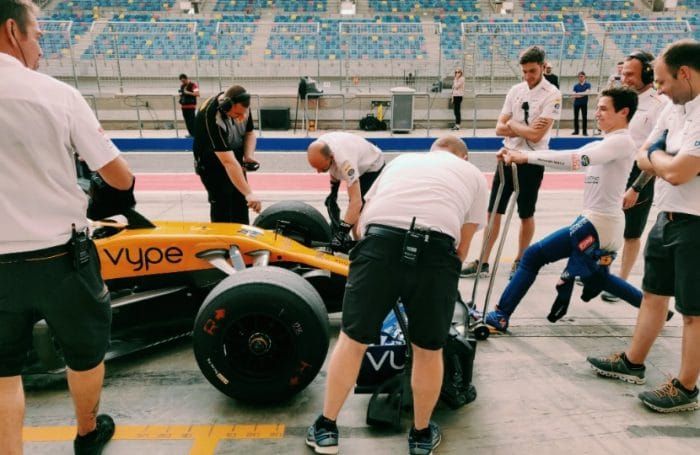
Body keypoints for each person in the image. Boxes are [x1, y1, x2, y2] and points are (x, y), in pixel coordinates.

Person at [0, 1, 135, 454]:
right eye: (37, 33)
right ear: (12, 31)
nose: (41, 44)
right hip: (61, 257)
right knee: (85, 353)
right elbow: (120, 177)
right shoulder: (56, 94)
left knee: (3, 374)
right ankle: (86, 432)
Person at [305, 135, 488, 455]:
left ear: (432, 151)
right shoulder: (472, 175)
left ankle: (326, 428)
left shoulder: (403, 161)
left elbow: (361, 224)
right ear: (465, 157)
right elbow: (462, 249)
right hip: (436, 251)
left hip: (380, 243)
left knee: (352, 340)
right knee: (428, 351)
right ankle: (419, 435)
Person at [587, 39, 700, 413]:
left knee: (693, 311)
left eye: (664, 80)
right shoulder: (674, 107)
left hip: (696, 225)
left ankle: (685, 387)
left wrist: (658, 158)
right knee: (653, 294)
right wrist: (657, 162)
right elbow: (644, 153)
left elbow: (680, 171)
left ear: (685, 74)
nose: (660, 88)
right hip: (667, 215)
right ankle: (633, 362)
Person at [483, 87, 640, 333]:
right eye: (597, 107)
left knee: (532, 256)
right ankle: (657, 311)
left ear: (624, 112)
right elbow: (566, 154)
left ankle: (500, 315)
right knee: (598, 278)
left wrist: (526, 158)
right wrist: (521, 153)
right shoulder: (610, 142)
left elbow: (575, 160)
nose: (596, 113)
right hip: (602, 222)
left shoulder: (621, 141)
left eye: (603, 108)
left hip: (598, 222)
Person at [461, 46, 561, 279]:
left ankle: (520, 261)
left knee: (526, 213)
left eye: (533, 71)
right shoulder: (515, 90)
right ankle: (483, 261)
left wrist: (513, 125)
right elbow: (498, 128)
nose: (528, 77)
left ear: (543, 67)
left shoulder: (552, 94)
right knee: (493, 212)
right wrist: (522, 128)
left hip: (532, 160)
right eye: (524, 72)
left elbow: (536, 136)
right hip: (506, 157)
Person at [600, 51, 668, 303]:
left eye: (630, 74)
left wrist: (637, 188)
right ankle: (600, 272)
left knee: (631, 232)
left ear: (648, 74)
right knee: (604, 221)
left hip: (640, 173)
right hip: (614, 165)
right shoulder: (619, 98)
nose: (624, 78)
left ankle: (621, 280)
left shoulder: (659, 105)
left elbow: (655, 150)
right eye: (622, 73)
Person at [192, 84, 261, 224]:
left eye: (244, 113)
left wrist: (248, 156)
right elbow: (228, 162)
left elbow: (250, 133)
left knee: (241, 203)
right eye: (237, 114)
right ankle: (223, 243)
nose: (242, 117)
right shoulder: (212, 117)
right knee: (222, 205)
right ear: (226, 106)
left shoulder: (241, 107)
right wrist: (249, 193)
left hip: (232, 156)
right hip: (211, 162)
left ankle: (242, 240)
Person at [307, 132, 385, 251]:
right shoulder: (321, 146)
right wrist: (333, 192)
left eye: (321, 168)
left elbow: (356, 202)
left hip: (372, 166)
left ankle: (361, 247)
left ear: (331, 157)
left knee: (358, 211)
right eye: (315, 167)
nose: (318, 171)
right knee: (353, 214)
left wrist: (342, 231)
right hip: (355, 151)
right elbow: (332, 168)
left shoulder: (345, 162)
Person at [572, 71, 592, 136]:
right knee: (576, 117)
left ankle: (584, 132)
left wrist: (578, 94)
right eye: (579, 77)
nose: (580, 78)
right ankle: (576, 131)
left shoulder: (588, 85)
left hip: (584, 103)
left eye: (581, 76)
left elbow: (586, 93)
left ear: (584, 77)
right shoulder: (575, 86)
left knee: (584, 117)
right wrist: (581, 94)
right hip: (576, 103)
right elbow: (573, 95)